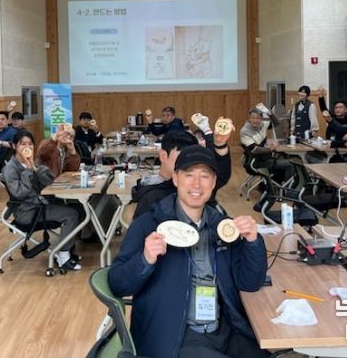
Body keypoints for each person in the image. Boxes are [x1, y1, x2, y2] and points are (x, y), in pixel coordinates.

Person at [109, 145, 268, 358]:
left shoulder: (222, 227)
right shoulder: (148, 225)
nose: (196, 184)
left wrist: (252, 242)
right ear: (175, 178)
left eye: (205, 176)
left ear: (214, 182)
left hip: (223, 329)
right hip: (174, 338)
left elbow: (250, 282)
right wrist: (145, 259)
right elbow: (117, 284)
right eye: (189, 175)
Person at [2, 130, 81, 271]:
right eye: (23, 144)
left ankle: (68, 249)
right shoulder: (10, 169)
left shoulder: (32, 162)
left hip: (41, 204)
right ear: (14, 146)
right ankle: (63, 257)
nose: (27, 147)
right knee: (71, 214)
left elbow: (49, 183)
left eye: (30, 144)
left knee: (79, 208)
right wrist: (28, 171)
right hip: (28, 211)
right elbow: (20, 193)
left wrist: (34, 168)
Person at [132, 122, 232, 220]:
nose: (196, 185)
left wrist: (220, 144)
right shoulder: (151, 198)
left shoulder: (196, 185)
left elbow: (221, 174)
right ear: (163, 156)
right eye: (180, 158)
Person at [239, 105, 292, 182]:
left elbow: (277, 122)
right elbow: (255, 150)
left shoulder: (262, 124)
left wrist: (268, 112)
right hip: (256, 163)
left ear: (261, 119)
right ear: (249, 118)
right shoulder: (245, 131)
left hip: (264, 159)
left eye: (257, 118)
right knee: (290, 164)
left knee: (283, 157)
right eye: (252, 117)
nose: (255, 120)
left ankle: (273, 185)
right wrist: (270, 149)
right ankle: (287, 189)